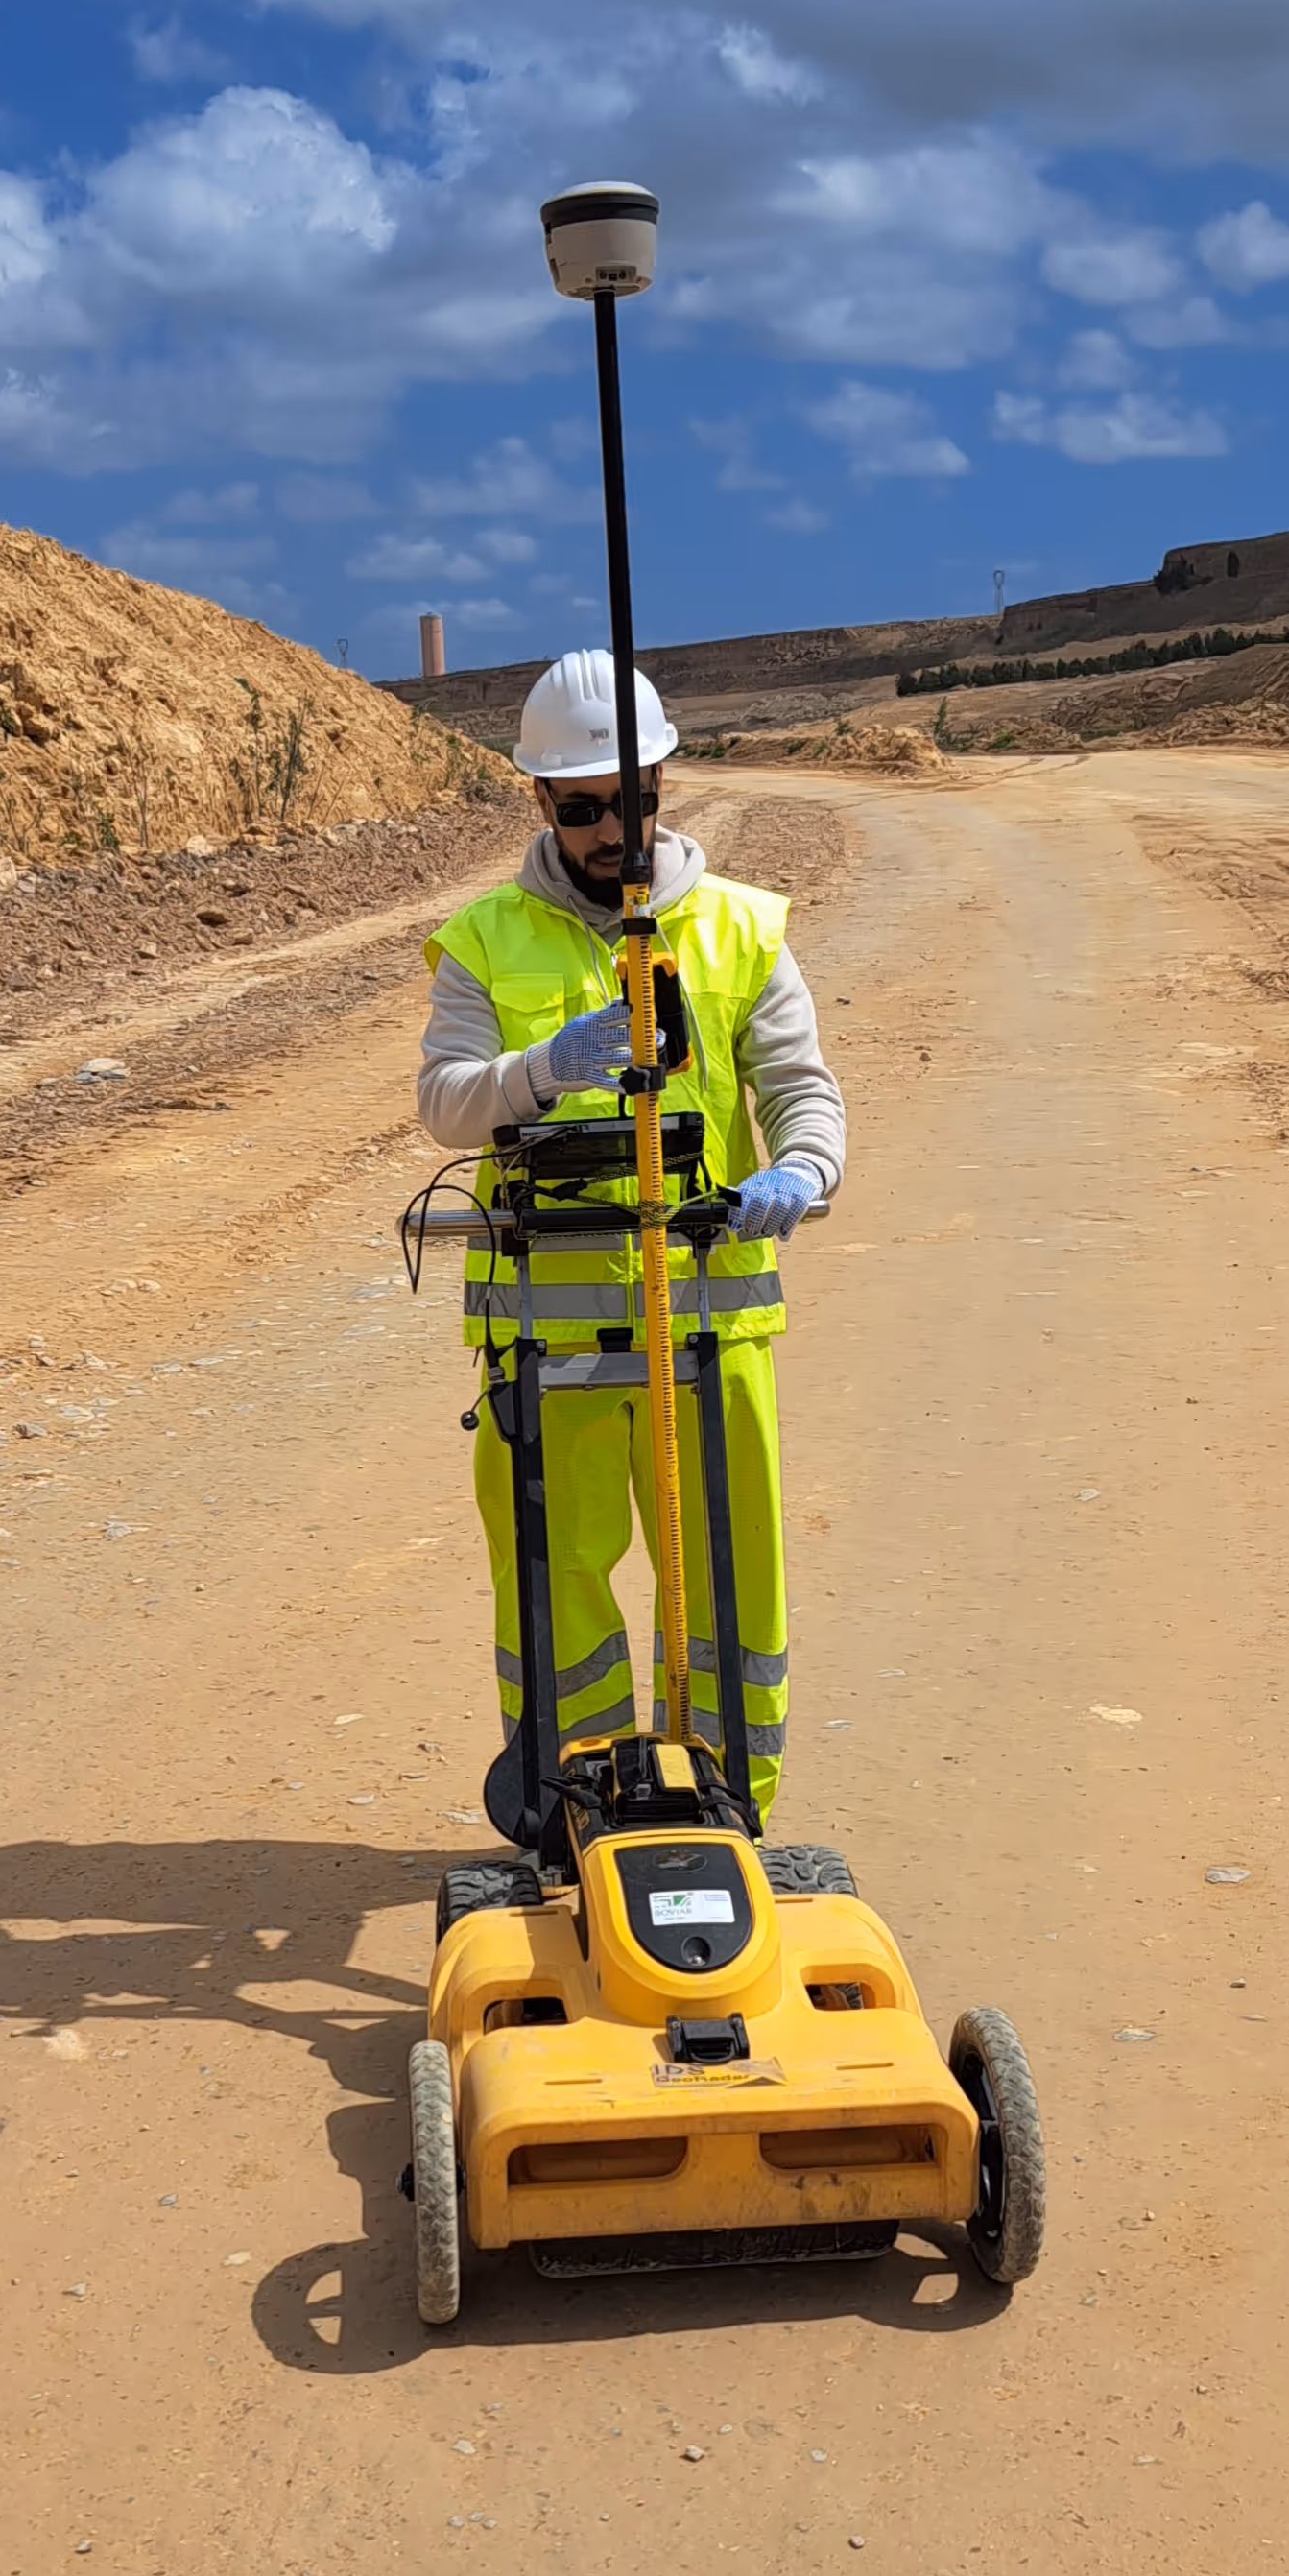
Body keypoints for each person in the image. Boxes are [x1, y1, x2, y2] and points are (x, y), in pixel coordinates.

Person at [418, 648, 846, 1821]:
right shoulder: (483, 940)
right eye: (586, 807)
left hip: (708, 1332)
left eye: (637, 797)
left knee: (727, 1594)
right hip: (544, 1351)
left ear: (664, 779)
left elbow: (803, 1088)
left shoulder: (743, 932)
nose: (618, 828)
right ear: (541, 803)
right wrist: (544, 1068)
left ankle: (730, 1820)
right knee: (553, 1595)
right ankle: (572, 1814)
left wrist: (804, 1170)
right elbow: (444, 1102)